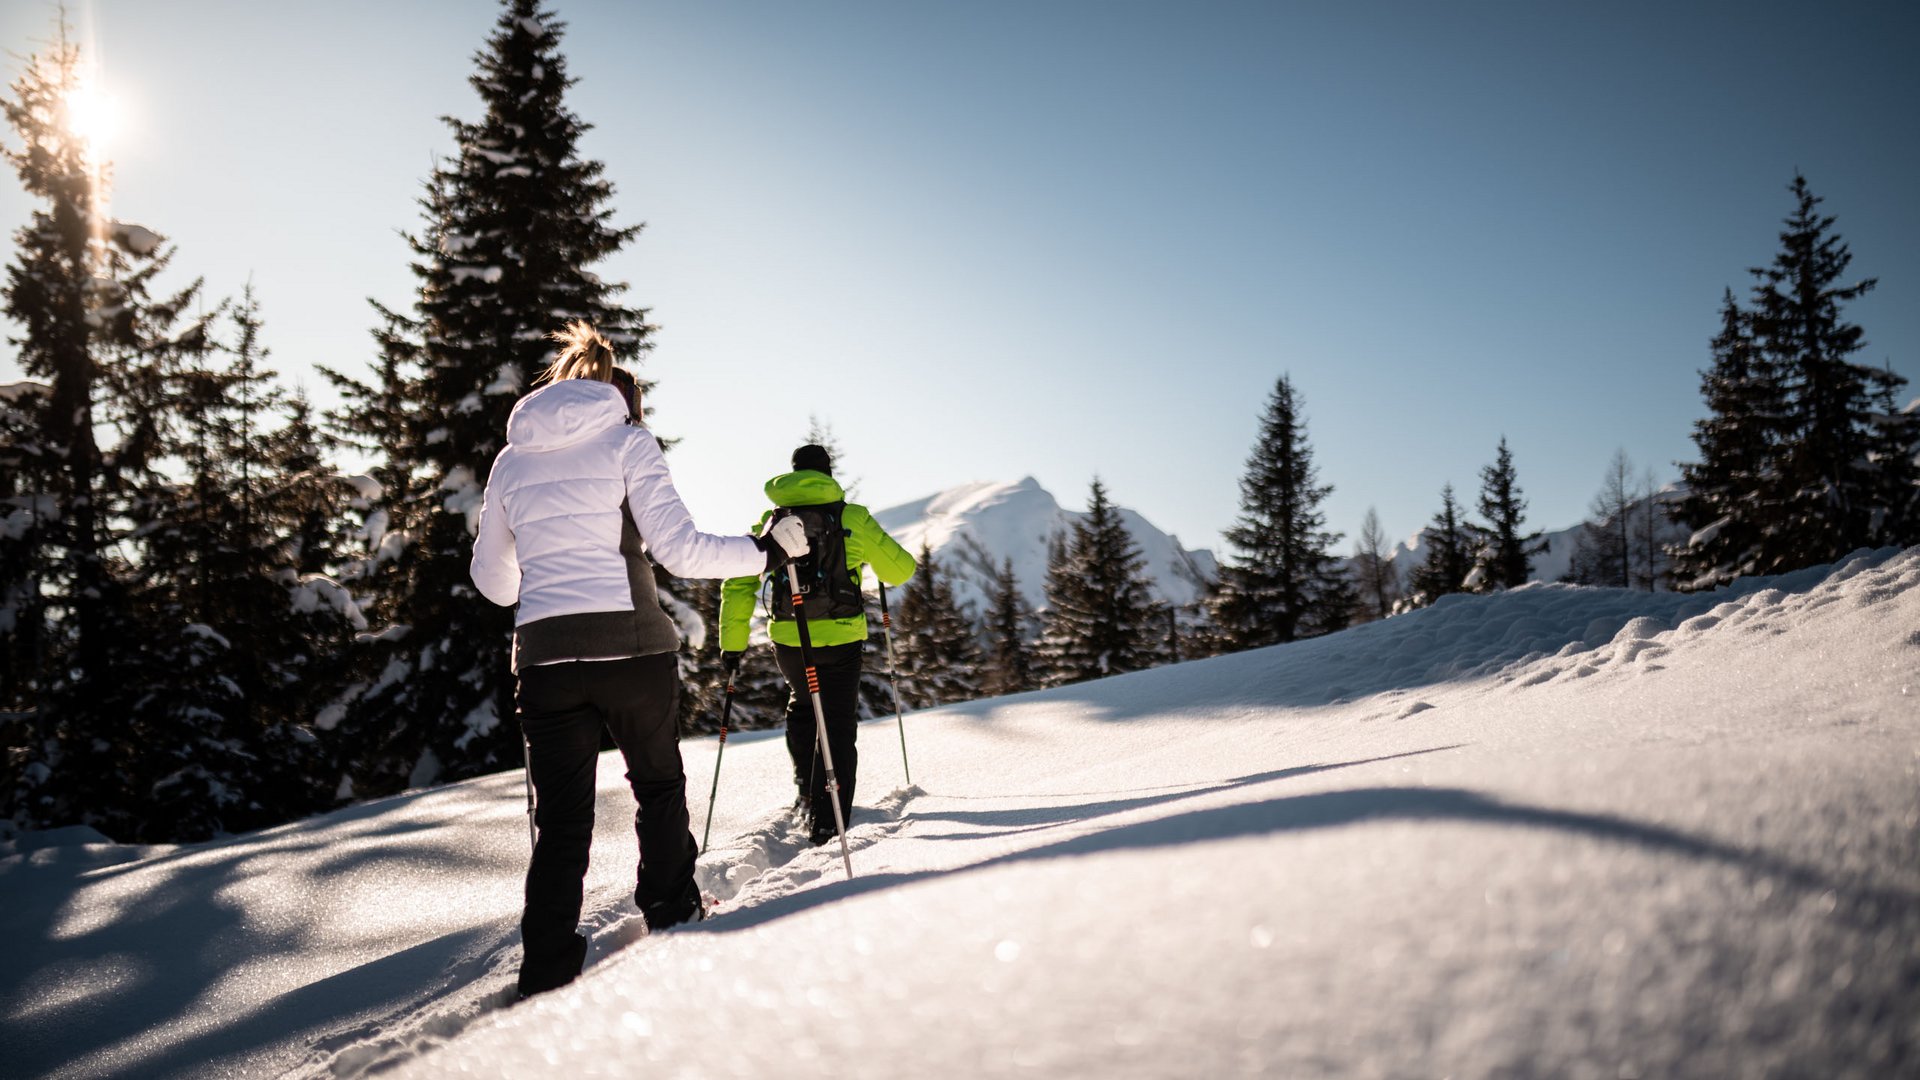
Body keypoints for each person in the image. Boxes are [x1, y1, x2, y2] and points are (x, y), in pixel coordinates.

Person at [470, 321, 809, 998]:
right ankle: (670, 910)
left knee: (559, 820)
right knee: (656, 785)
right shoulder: (629, 441)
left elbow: (494, 582)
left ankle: (545, 969)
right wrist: (768, 550)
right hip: (631, 648)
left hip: (542, 658)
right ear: (618, 394)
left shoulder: (512, 460)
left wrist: (540, 578)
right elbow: (680, 551)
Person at [718, 444, 915, 846]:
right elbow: (901, 570)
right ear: (828, 473)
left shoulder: (770, 520)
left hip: (790, 638)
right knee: (838, 722)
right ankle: (829, 818)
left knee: (804, 705)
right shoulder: (852, 517)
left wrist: (732, 645)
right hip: (842, 636)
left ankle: (807, 793)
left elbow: (738, 581)